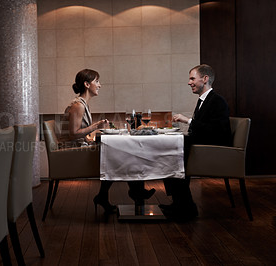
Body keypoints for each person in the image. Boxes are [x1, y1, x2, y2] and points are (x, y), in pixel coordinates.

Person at [61, 69, 155, 213]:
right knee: (120, 154)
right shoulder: (78, 106)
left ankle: (108, 196)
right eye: (96, 81)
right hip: (74, 153)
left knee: (119, 153)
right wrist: (95, 126)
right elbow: (73, 134)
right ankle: (135, 192)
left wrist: (94, 131)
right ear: (87, 84)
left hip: (80, 147)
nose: (99, 85)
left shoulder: (82, 104)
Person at [160, 64, 232, 220]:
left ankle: (185, 206)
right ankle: (180, 203)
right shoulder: (204, 101)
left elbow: (218, 132)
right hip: (202, 147)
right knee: (170, 147)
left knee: (174, 150)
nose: (189, 82)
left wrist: (188, 121)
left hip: (213, 151)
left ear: (205, 79)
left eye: (192, 78)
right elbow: (203, 129)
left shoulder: (217, 101)